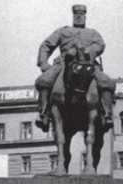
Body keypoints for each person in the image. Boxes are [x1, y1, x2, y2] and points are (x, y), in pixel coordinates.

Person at [34, 4, 115, 132]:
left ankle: (107, 115)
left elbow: (100, 45)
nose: (79, 17)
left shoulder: (92, 33)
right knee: (44, 80)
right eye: (76, 14)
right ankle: (43, 114)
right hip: (64, 64)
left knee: (107, 82)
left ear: (85, 16)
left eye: (81, 14)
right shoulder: (63, 31)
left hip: (89, 65)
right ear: (73, 16)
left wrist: (90, 51)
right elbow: (46, 45)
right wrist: (43, 62)